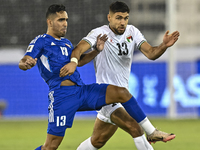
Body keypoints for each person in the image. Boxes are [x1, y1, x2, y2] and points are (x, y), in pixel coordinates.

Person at [18, 4, 161, 150]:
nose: (65, 23)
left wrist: (97, 51)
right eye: (61, 20)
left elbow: (78, 62)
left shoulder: (66, 43)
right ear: (50, 22)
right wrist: (26, 63)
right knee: (51, 146)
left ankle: (151, 131)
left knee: (121, 93)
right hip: (62, 96)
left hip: (81, 91)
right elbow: (23, 61)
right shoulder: (41, 41)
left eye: (66, 20)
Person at [69, 1, 179, 150]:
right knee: (135, 127)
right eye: (118, 18)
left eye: (126, 18)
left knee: (97, 141)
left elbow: (151, 54)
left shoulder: (132, 32)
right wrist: (74, 61)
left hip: (122, 98)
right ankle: (152, 132)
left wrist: (164, 45)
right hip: (106, 97)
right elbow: (78, 49)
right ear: (109, 17)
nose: (123, 22)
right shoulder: (99, 33)